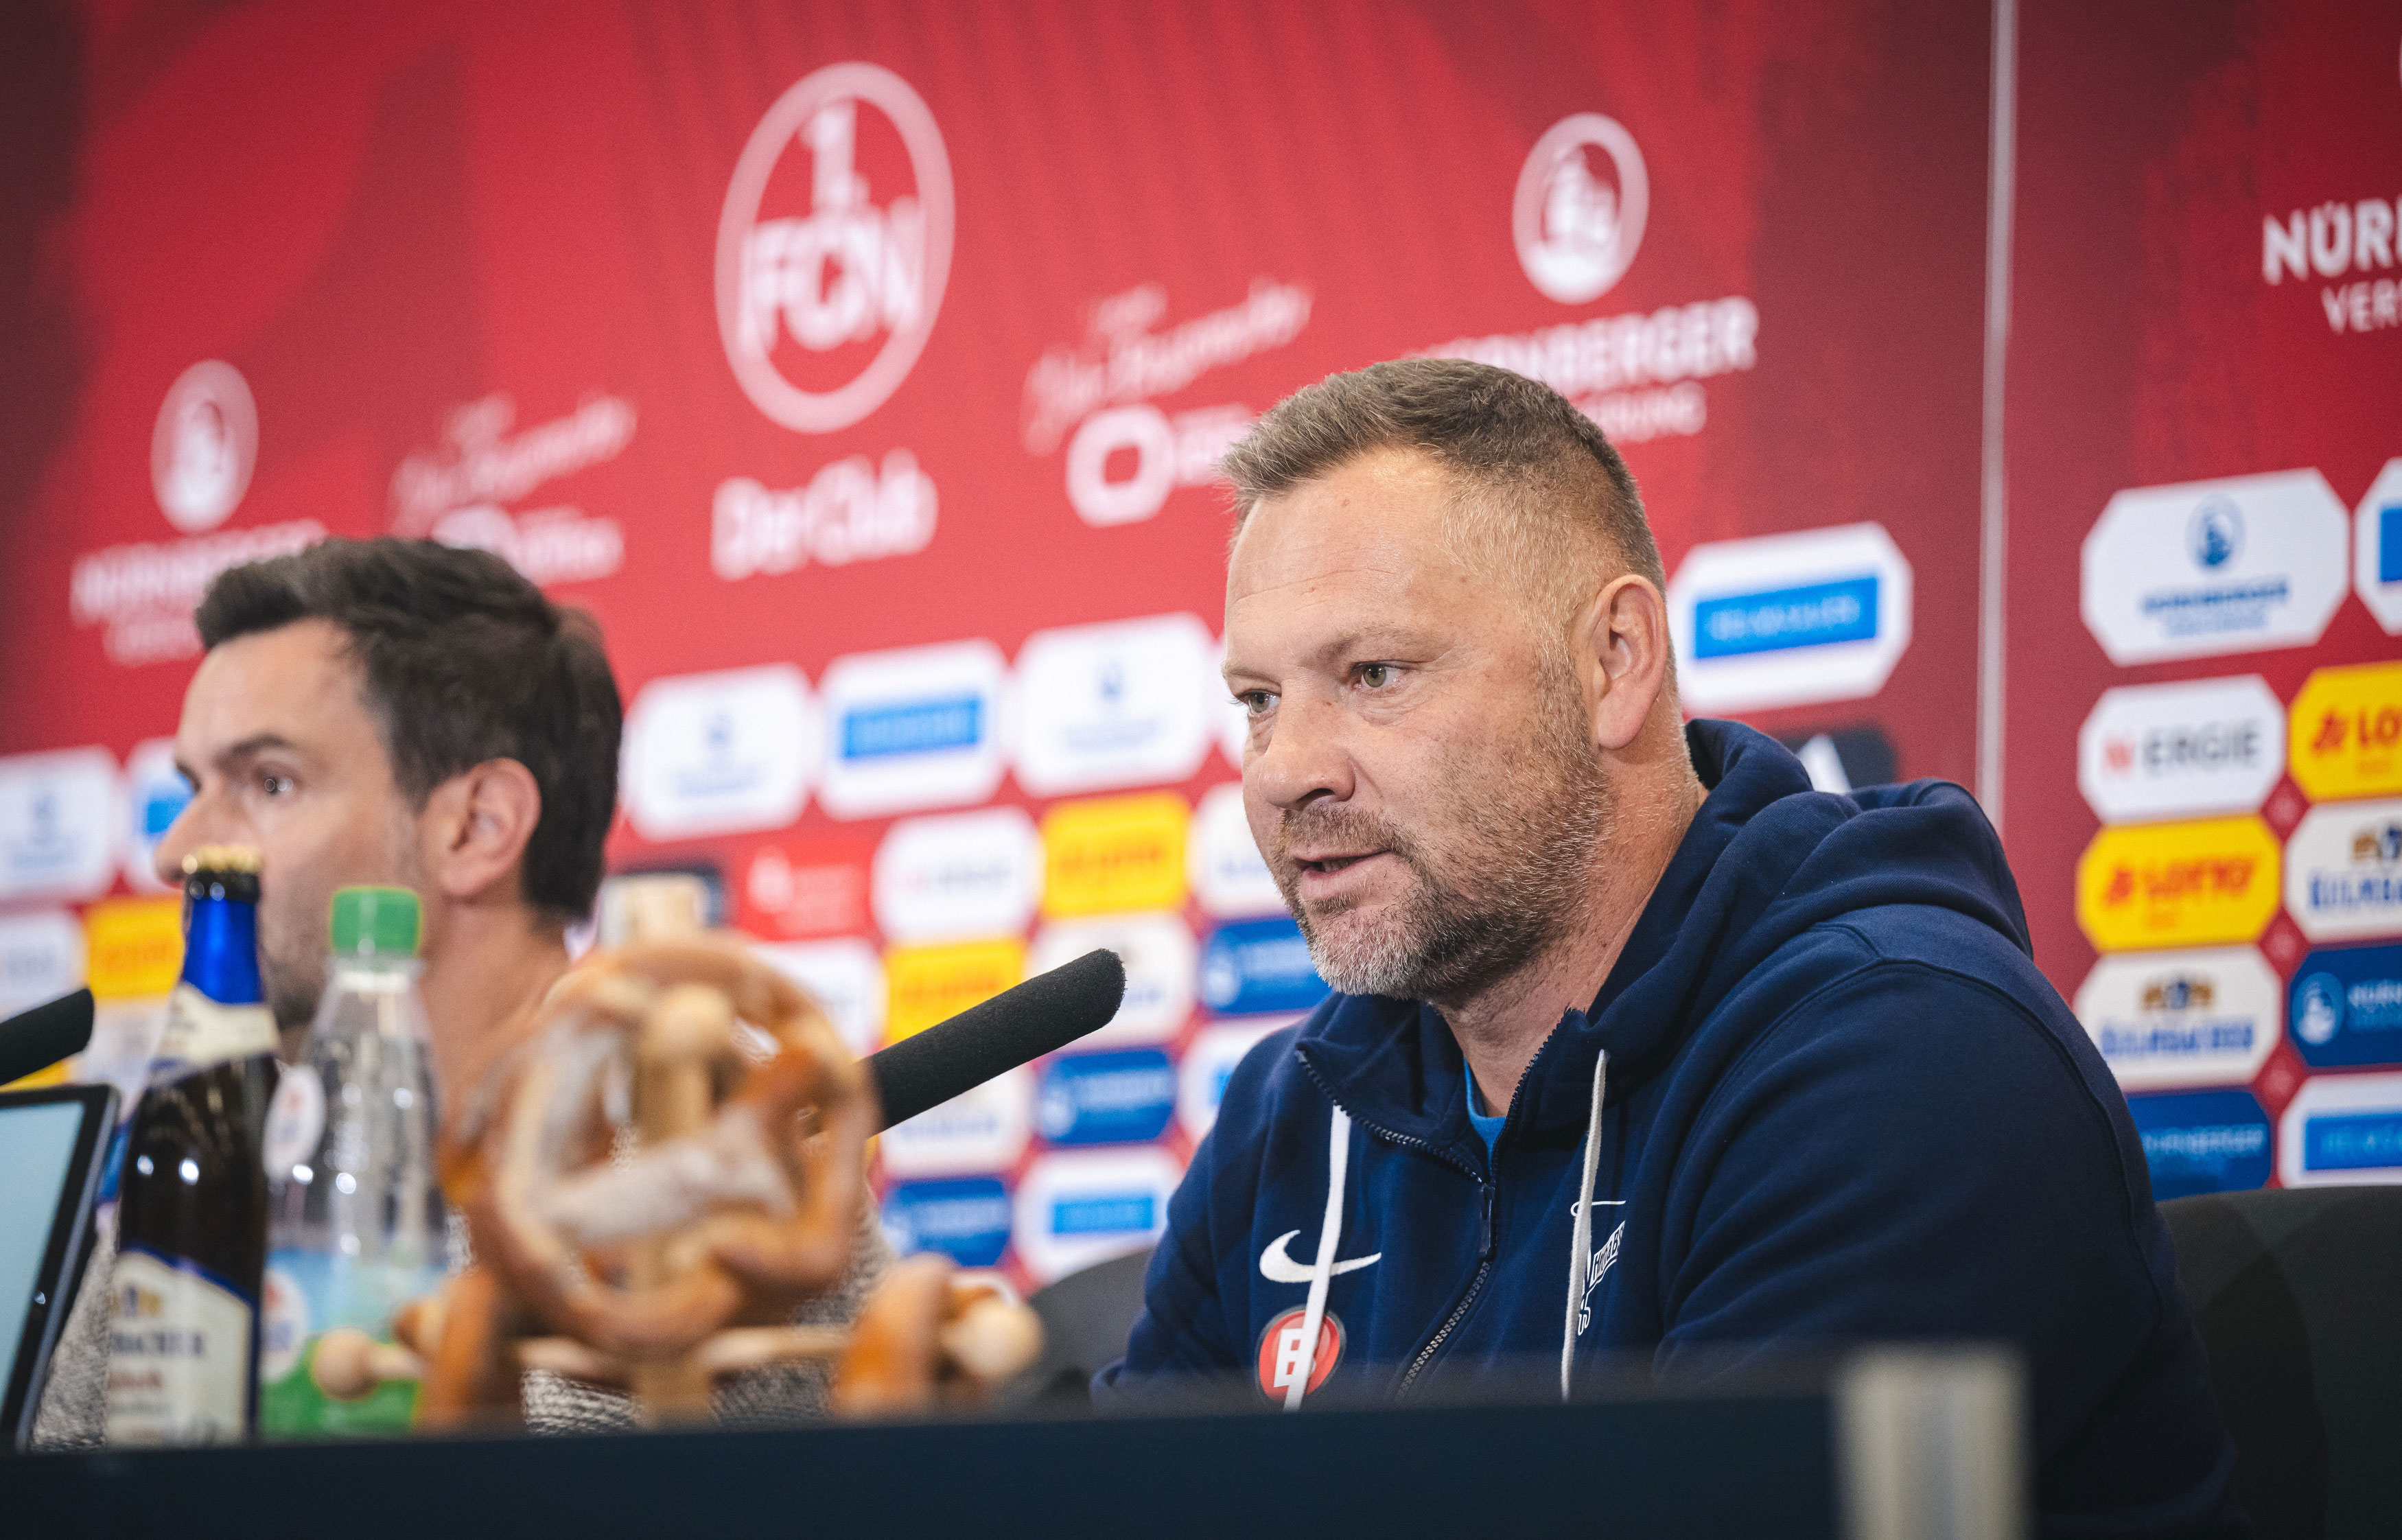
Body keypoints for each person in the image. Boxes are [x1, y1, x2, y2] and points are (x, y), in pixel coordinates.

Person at [1098, 360, 2243, 1537]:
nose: (1288, 770)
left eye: (1374, 674)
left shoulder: (1903, 1063)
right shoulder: (1292, 1117)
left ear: (1614, 660)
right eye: (1258, 701)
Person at [36, 537, 887, 1445]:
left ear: (477, 828)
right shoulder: (206, 1149)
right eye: (193, 788)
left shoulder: (692, 1151)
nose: (177, 854)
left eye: (268, 782)